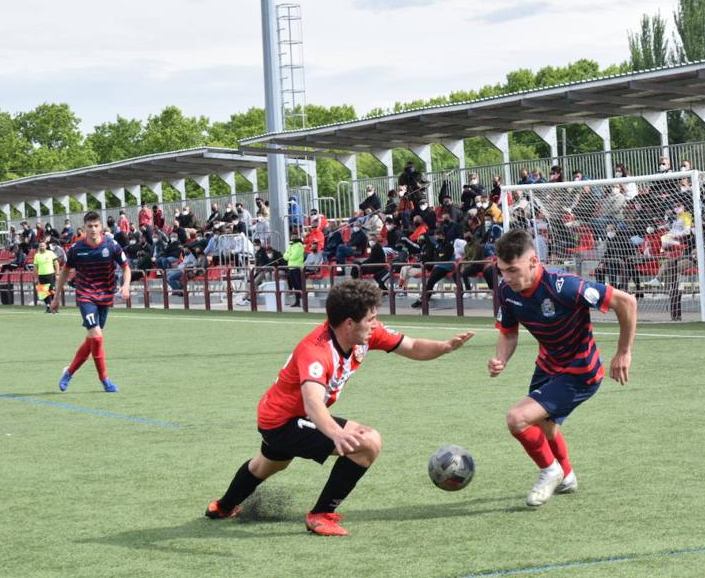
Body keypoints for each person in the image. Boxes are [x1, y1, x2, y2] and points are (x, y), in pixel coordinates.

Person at [205, 280, 473, 536]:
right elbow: (312, 402)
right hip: (283, 422)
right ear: (348, 323)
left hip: (283, 416)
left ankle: (222, 507)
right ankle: (321, 515)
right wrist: (336, 433)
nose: (375, 324)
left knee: (267, 465)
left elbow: (412, 346)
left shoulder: (367, 333)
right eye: (370, 319)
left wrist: (445, 347)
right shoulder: (316, 351)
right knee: (369, 442)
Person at [487, 229, 637, 507]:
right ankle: (566, 476)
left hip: (581, 370)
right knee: (545, 425)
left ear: (533, 262)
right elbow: (508, 333)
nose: (506, 277)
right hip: (548, 366)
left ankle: (550, 470)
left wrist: (624, 352)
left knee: (517, 418)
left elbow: (625, 301)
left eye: (512, 270)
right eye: (502, 271)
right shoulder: (507, 292)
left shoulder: (563, 286)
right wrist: (501, 359)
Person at [52, 211, 130, 393]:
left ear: (101, 227)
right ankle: (105, 380)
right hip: (85, 295)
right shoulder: (76, 249)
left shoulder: (112, 245)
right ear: (84, 227)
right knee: (97, 336)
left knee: (92, 340)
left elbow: (126, 268)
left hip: (105, 296)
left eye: (96, 226)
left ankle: (69, 372)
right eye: (90, 226)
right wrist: (56, 297)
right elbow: (65, 272)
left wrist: (125, 286)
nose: (93, 230)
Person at [34, 240, 60, 312]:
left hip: (50, 275)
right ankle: (48, 306)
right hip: (41, 276)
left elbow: (56, 263)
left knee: (52, 291)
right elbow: (35, 267)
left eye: (43, 246)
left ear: (46, 246)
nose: (41, 247)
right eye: (40, 246)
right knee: (43, 292)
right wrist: (36, 278)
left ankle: (54, 306)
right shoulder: (37, 255)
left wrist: (57, 274)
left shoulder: (50, 253)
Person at [283, 234, 305, 307]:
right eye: (292, 237)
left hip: (297, 267)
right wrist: (289, 256)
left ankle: (303, 301)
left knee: (299, 285)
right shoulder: (290, 245)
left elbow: (294, 256)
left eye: (294, 237)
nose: (292, 238)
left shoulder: (299, 245)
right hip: (291, 267)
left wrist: (288, 256)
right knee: (294, 285)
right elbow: (285, 256)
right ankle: (297, 301)